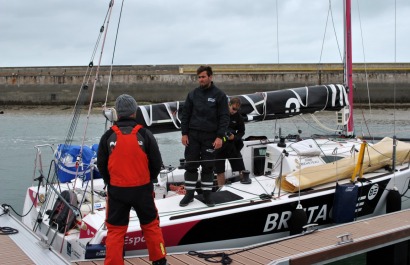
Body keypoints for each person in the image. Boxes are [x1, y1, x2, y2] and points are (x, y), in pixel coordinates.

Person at [97, 94, 167, 265]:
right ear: (134, 112)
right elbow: (156, 162)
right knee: (151, 225)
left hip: (117, 190)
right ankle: (159, 261)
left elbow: (101, 165)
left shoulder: (107, 137)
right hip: (142, 189)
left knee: (115, 230)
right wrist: (148, 179)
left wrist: (110, 182)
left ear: (118, 113)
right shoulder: (145, 134)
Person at [180, 65, 230, 207]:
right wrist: (184, 133)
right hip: (193, 136)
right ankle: (189, 195)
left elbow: (224, 117)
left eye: (203, 77)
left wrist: (220, 137)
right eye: (199, 77)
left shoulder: (219, 95)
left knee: (208, 167)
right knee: (190, 166)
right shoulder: (192, 94)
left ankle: (207, 196)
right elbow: (185, 115)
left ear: (210, 77)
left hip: (210, 137)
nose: (201, 80)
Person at [215, 97, 251, 186]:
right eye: (233, 108)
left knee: (240, 168)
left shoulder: (238, 117)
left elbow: (242, 132)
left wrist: (234, 137)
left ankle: (244, 183)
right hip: (219, 146)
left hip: (232, 146)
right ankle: (221, 190)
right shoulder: (219, 114)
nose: (234, 111)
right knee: (219, 171)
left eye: (237, 109)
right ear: (229, 104)